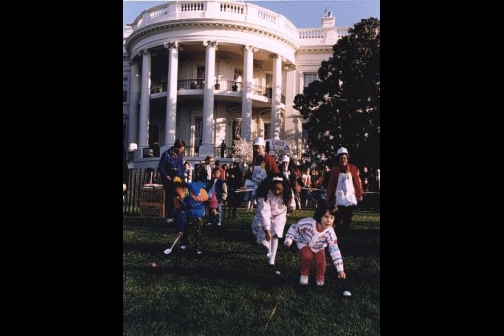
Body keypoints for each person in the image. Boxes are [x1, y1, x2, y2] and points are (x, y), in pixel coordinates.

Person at [284, 202, 347, 287]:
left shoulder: (330, 232)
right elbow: (294, 227)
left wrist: (340, 269)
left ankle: (320, 278)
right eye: (326, 217)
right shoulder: (308, 223)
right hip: (304, 242)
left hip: (318, 246)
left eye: (332, 217)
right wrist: (289, 238)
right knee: (307, 256)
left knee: (322, 262)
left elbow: (334, 250)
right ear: (319, 216)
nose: (329, 220)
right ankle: (304, 274)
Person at [251, 174, 295, 267]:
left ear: (284, 187)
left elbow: (292, 203)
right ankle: (269, 249)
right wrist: (267, 230)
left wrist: (292, 207)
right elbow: (264, 212)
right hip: (264, 215)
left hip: (279, 215)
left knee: (275, 235)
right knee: (260, 235)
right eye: (274, 189)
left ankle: (272, 259)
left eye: (280, 189)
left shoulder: (288, 191)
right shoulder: (264, 193)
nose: (277, 191)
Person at [325, 147, 363, 237]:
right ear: (339, 159)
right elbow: (331, 183)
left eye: (345, 158)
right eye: (341, 158)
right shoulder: (335, 169)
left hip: (349, 196)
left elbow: (356, 182)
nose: (343, 160)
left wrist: (359, 193)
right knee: (339, 214)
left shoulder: (353, 168)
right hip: (339, 196)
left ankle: (345, 229)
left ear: (347, 158)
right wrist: (328, 195)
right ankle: (339, 229)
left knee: (348, 215)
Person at [172, 176, 209, 255]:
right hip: (187, 213)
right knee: (185, 229)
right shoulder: (178, 198)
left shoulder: (195, 192)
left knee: (196, 232)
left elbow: (207, 197)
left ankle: (197, 248)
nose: (177, 196)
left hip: (197, 214)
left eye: (178, 194)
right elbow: (180, 214)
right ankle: (184, 244)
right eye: (176, 194)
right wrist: (180, 229)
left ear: (184, 189)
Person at [157, 139, 186, 223]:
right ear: (177, 148)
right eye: (181, 149)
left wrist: (182, 178)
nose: (182, 151)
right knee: (169, 198)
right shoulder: (166, 155)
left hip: (178, 179)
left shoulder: (180, 155)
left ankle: (179, 215)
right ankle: (169, 216)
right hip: (168, 180)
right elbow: (160, 167)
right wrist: (166, 176)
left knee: (180, 197)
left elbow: (181, 167)